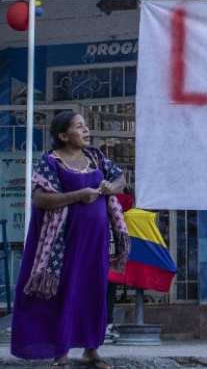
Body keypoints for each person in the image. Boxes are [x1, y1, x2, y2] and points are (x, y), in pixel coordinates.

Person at [10, 111, 130, 369]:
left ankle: (92, 351)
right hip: (62, 244)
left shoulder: (95, 157)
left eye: (86, 126)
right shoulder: (51, 162)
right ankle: (61, 353)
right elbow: (40, 199)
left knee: (93, 291)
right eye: (79, 127)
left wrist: (112, 186)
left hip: (95, 242)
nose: (86, 130)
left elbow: (121, 179)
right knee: (64, 292)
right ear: (64, 136)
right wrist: (78, 195)